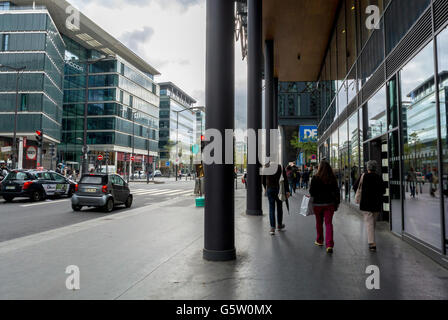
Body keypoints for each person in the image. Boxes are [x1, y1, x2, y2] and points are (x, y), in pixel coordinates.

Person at [353, 160, 385, 252]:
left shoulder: (363, 176)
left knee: (370, 223)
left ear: (368, 168)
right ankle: (372, 242)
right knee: (372, 223)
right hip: (376, 203)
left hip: (366, 203)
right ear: (376, 168)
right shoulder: (379, 177)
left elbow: (355, 186)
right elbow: (383, 190)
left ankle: (372, 243)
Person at [309, 160, 340, 254]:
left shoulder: (315, 178)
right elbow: (336, 191)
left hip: (317, 205)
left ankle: (319, 241)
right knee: (328, 224)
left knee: (319, 223)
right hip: (329, 204)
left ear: (319, 168)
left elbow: (312, 192)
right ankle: (329, 245)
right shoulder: (332, 178)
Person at [262, 163, 290, 235]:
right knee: (279, 207)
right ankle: (279, 225)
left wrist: (266, 188)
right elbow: (285, 179)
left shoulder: (266, 166)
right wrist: (287, 191)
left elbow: (263, 180)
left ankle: (272, 228)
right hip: (279, 189)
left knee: (271, 208)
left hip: (270, 189)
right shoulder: (280, 166)